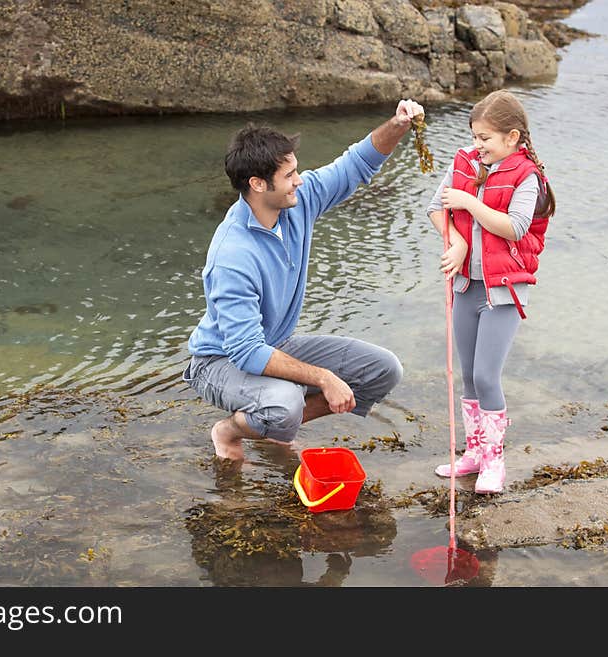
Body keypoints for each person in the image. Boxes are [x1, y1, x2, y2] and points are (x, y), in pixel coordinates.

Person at [184, 99, 424, 461]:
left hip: (274, 344)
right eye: (289, 175)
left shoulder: (298, 200)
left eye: (297, 170)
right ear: (258, 184)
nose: (299, 180)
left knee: (383, 369)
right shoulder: (232, 256)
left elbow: (355, 164)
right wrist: (324, 378)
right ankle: (230, 430)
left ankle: (271, 428)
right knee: (285, 403)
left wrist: (398, 125)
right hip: (219, 362)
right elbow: (247, 351)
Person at [426, 89, 556, 493]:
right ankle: (473, 454)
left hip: (503, 291)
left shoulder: (527, 176)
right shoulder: (465, 161)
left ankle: (494, 463)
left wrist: (468, 200)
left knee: (486, 375)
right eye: (475, 136)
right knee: (467, 374)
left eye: (485, 138)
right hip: (467, 284)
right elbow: (435, 207)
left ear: (513, 138)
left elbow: (515, 228)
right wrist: (457, 243)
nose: (476, 145)